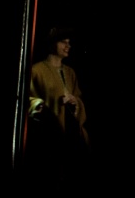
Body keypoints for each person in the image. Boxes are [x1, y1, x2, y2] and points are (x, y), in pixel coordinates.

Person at [27, 26, 91, 188]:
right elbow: (28, 100)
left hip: (71, 135)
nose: (68, 46)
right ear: (52, 44)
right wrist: (41, 107)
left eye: (69, 42)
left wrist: (75, 102)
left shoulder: (70, 72)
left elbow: (78, 97)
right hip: (49, 138)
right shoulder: (37, 71)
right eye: (63, 42)